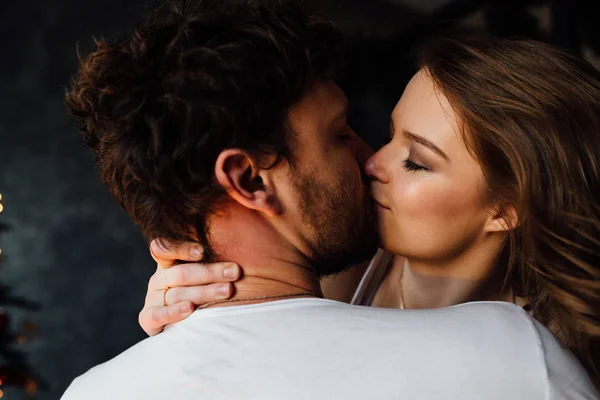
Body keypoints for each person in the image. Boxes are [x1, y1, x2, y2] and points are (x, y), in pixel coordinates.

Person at [61, 0, 597, 398]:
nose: (369, 161)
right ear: (249, 183)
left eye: (416, 161)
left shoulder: (537, 356)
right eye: (373, 134)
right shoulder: (335, 265)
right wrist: (201, 321)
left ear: (507, 208)